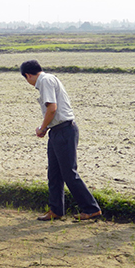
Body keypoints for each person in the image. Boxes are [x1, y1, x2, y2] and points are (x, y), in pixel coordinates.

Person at [20, 60, 102, 221]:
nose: (28, 82)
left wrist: (42, 128)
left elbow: (52, 108)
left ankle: (91, 208)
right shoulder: (48, 79)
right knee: (54, 173)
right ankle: (56, 210)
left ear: (28, 75)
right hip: (58, 130)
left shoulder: (44, 81)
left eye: (26, 79)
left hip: (64, 129)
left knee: (68, 173)